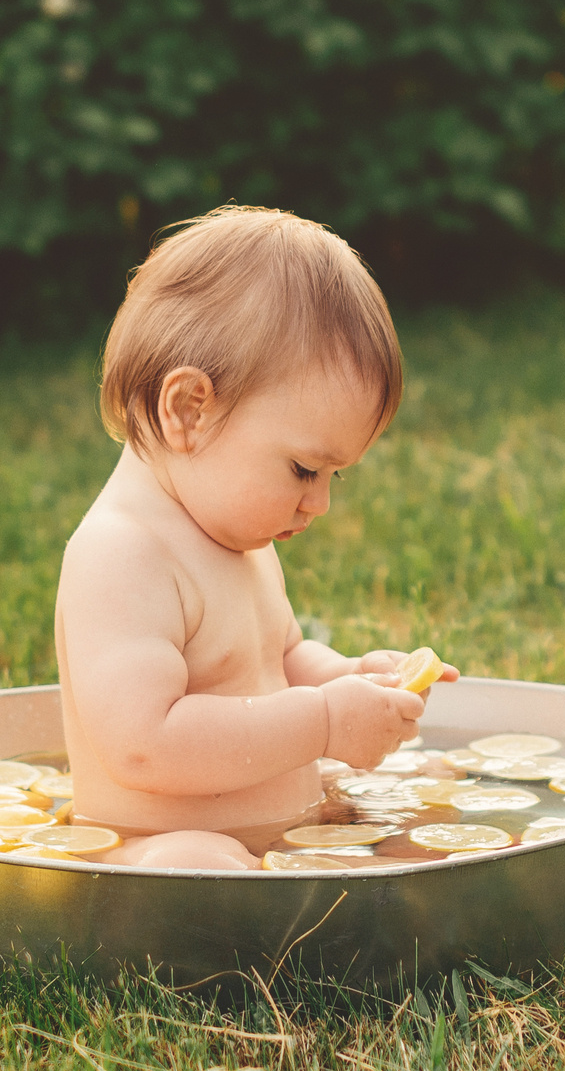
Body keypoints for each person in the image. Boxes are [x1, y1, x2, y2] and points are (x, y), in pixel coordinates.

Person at [55, 206, 454, 870]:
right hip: (154, 843)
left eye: (333, 475)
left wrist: (353, 679)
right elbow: (144, 742)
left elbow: (284, 661)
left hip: (289, 828)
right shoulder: (121, 554)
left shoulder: (240, 536)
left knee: (432, 789)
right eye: (304, 468)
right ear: (188, 410)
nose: (321, 501)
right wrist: (324, 722)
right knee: (196, 867)